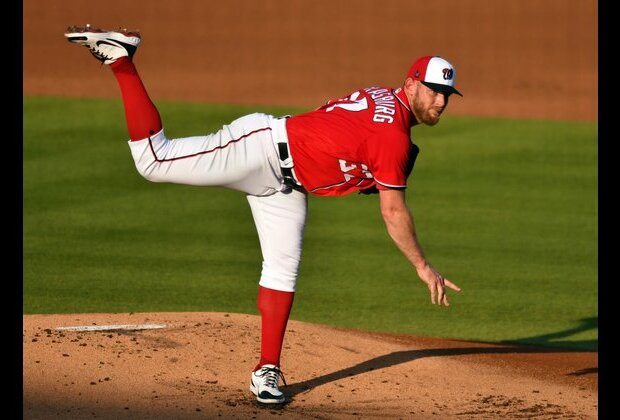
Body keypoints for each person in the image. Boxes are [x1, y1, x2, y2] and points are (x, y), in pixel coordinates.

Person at [64, 24, 462, 405]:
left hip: (288, 185)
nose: (440, 102)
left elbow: (332, 119)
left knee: (282, 269)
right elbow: (392, 211)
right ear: (411, 84)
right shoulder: (392, 136)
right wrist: (423, 266)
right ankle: (122, 60)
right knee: (153, 161)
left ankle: (266, 370)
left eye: (446, 94)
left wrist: (354, 171)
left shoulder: (383, 98)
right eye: (433, 91)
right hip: (261, 149)